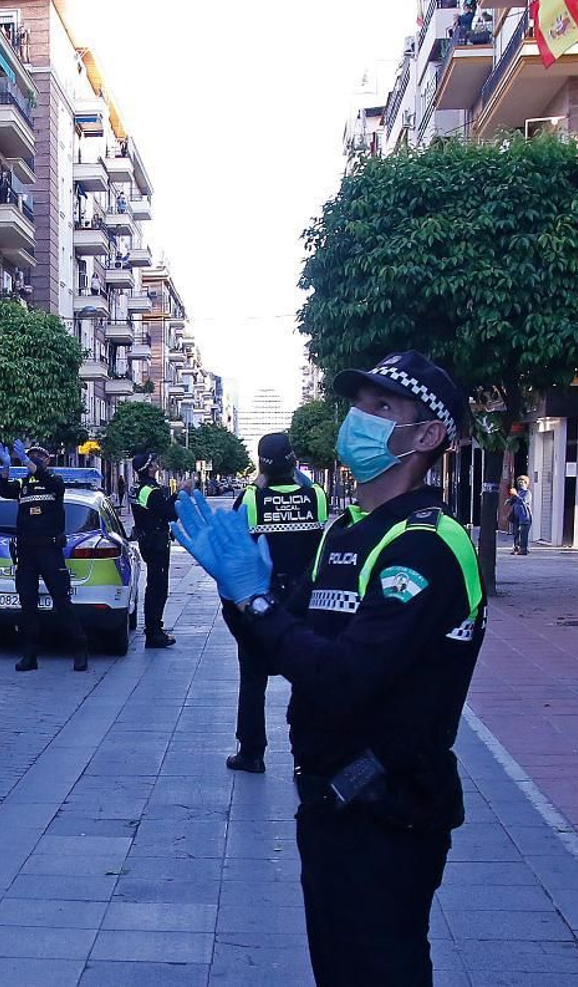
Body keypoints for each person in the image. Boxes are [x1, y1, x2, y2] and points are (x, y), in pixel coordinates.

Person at [174, 351, 485, 985]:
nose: (359, 419)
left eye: (384, 408)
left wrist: (258, 601)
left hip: (391, 809)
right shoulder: (344, 532)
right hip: (329, 803)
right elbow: (281, 648)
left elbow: (345, 678)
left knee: (382, 969)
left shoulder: (427, 546)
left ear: (427, 437)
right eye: (360, 404)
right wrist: (242, 597)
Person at [220, 433, 331, 775]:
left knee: (253, 679)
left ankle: (252, 752)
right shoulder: (316, 495)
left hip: (262, 600)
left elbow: (237, 551)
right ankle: (307, 754)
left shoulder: (251, 499)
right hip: (305, 599)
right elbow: (321, 547)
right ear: (294, 461)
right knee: (308, 677)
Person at [0, 440, 88, 672]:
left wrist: (26, 462)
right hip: (27, 552)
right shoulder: (23, 484)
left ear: (47, 460)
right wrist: (5, 468)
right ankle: (30, 655)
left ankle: (79, 650)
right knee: (27, 604)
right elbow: (4, 490)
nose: (34, 459)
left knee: (62, 601)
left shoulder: (54, 482)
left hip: (49, 550)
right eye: (30, 456)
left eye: (39, 457)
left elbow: (47, 480)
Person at [130, 451, 179, 650]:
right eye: (154, 463)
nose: (158, 465)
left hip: (146, 539)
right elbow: (169, 514)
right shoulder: (151, 490)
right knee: (158, 588)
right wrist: (177, 495)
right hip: (156, 542)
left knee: (153, 586)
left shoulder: (137, 487)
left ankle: (153, 629)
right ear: (149, 468)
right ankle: (154, 632)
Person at [509, 475, 533, 556]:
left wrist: (516, 495)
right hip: (516, 517)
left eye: (522, 482)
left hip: (525, 517)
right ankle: (516, 548)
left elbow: (523, 501)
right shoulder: (519, 492)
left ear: (526, 483)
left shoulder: (527, 493)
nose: (520, 484)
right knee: (516, 533)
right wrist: (510, 499)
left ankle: (524, 549)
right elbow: (514, 501)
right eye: (519, 482)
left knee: (523, 534)